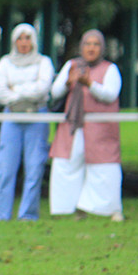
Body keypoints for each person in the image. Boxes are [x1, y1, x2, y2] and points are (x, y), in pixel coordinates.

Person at [48, 30, 125, 221]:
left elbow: (110, 94)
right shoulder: (72, 65)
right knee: (67, 164)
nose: (91, 48)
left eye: (96, 44)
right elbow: (55, 92)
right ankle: (73, 208)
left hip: (101, 129)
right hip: (73, 126)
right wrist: (69, 81)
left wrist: (89, 83)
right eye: (87, 44)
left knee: (104, 168)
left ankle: (111, 209)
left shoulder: (110, 69)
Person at [0, 23, 55, 221]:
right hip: (12, 117)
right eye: (20, 38)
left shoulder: (43, 62)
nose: (24, 43)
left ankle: (28, 214)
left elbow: (43, 88)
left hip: (36, 116)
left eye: (28, 38)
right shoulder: (5, 63)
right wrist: (25, 92)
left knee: (34, 167)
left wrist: (15, 89)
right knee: (5, 168)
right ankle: (2, 214)